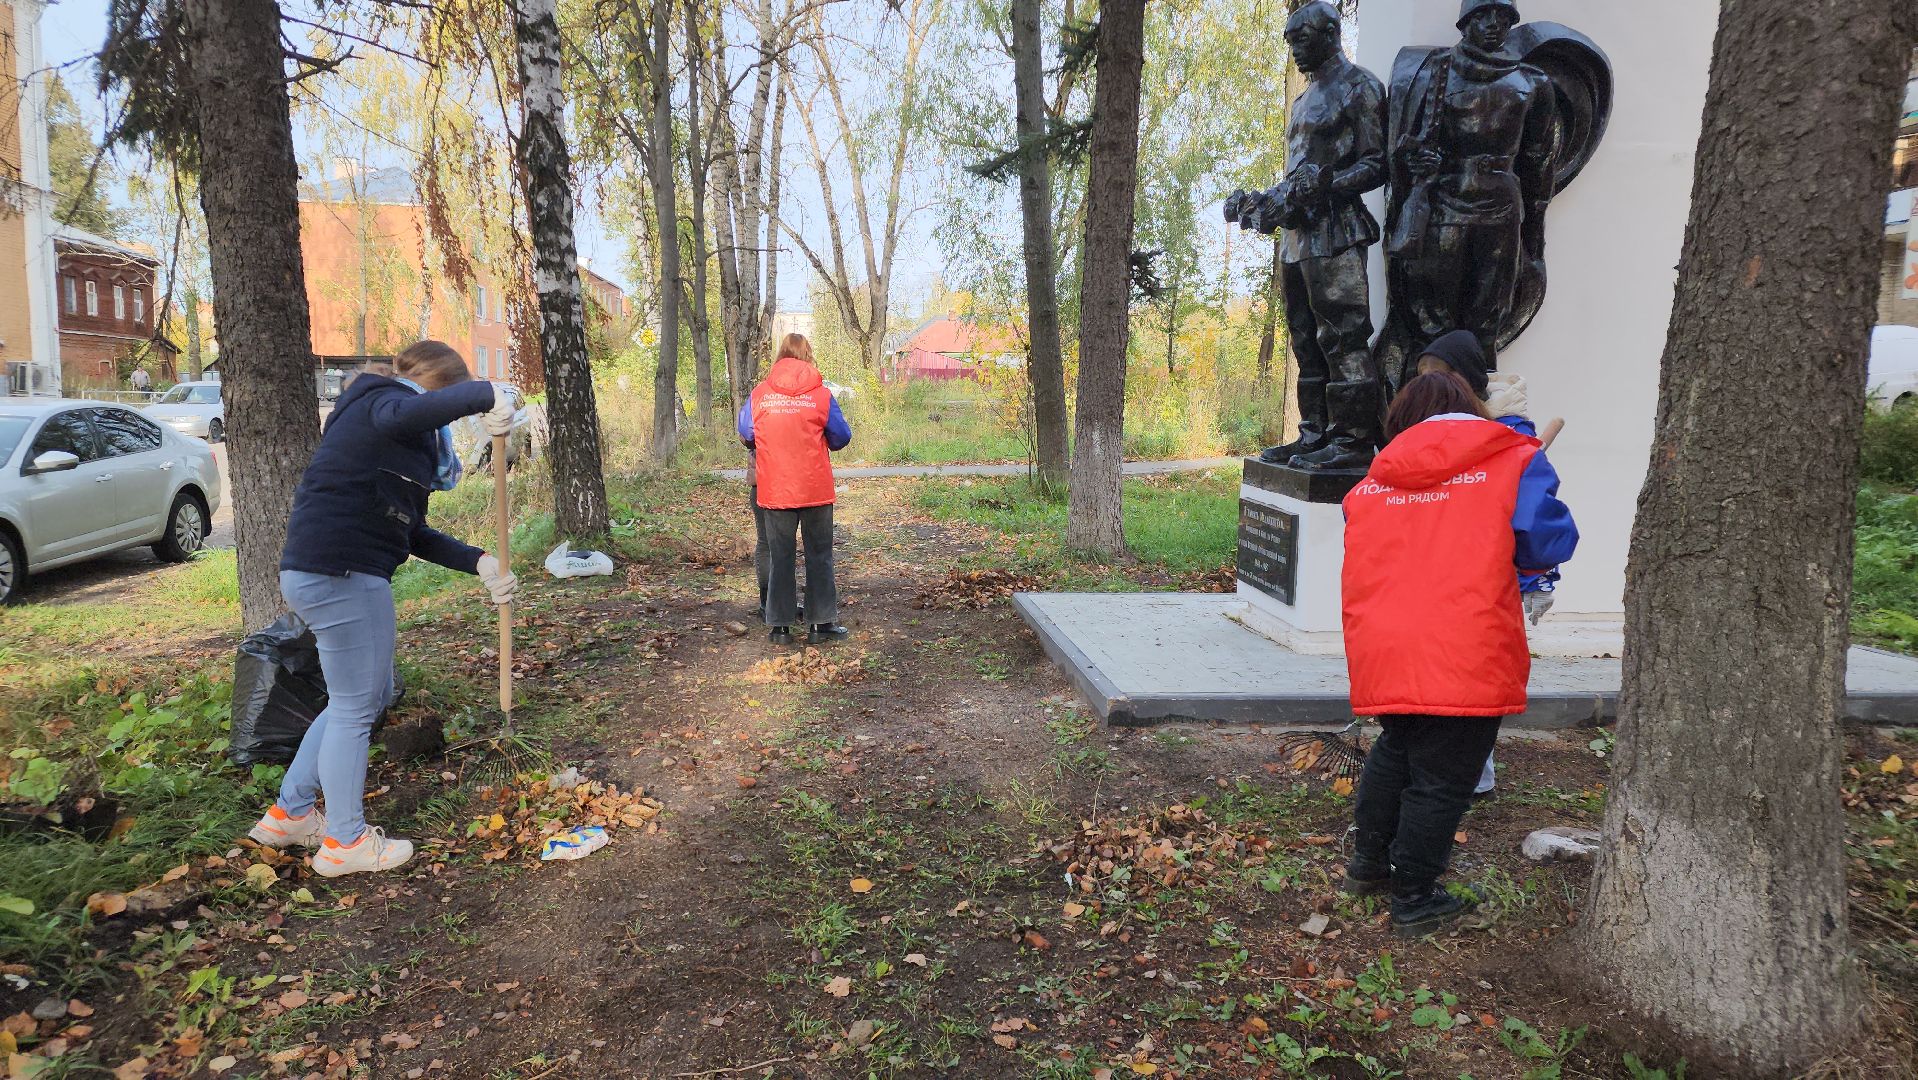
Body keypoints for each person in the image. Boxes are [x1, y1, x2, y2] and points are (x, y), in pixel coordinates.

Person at [249, 341, 520, 877]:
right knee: (358, 706)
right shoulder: (381, 402)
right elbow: (414, 410)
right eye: (453, 404)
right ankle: (345, 842)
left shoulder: (390, 439)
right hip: (345, 572)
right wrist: (487, 392)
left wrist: (481, 562)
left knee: (355, 697)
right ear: (439, 390)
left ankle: (289, 813)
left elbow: (410, 530)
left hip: (319, 570)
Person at [1339, 370, 1577, 936]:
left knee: (1397, 747)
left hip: (1383, 644)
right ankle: (1415, 897)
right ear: (1475, 409)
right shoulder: (1514, 460)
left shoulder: (1370, 484)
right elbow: (1547, 540)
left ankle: (1368, 866)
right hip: (1462, 643)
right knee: (1443, 779)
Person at [1413, 329, 1564, 797]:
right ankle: (1445, 767)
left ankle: (1476, 777)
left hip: (1488, 580)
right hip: (1447, 573)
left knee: (1475, 677)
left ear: (1466, 378)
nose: (1433, 386)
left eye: (1440, 375)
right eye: (1425, 377)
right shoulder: (1442, 428)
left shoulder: (1507, 435)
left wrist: (1538, 579)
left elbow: (1534, 519)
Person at [738, 334, 852, 646]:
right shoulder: (821, 395)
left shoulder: (760, 394)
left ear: (780, 357)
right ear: (808, 358)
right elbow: (841, 437)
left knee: (780, 556)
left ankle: (780, 629)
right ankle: (820, 624)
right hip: (814, 487)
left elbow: (746, 431)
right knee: (819, 555)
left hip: (775, 490)